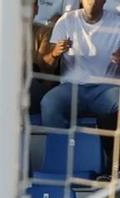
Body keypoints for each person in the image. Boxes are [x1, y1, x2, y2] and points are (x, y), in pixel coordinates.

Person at [38, 0, 120, 129]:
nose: (92, 2)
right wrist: (55, 53)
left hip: (106, 89)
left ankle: (113, 148)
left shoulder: (117, 23)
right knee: (49, 103)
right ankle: (59, 146)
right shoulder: (67, 21)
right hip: (71, 88)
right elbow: (46, 67)